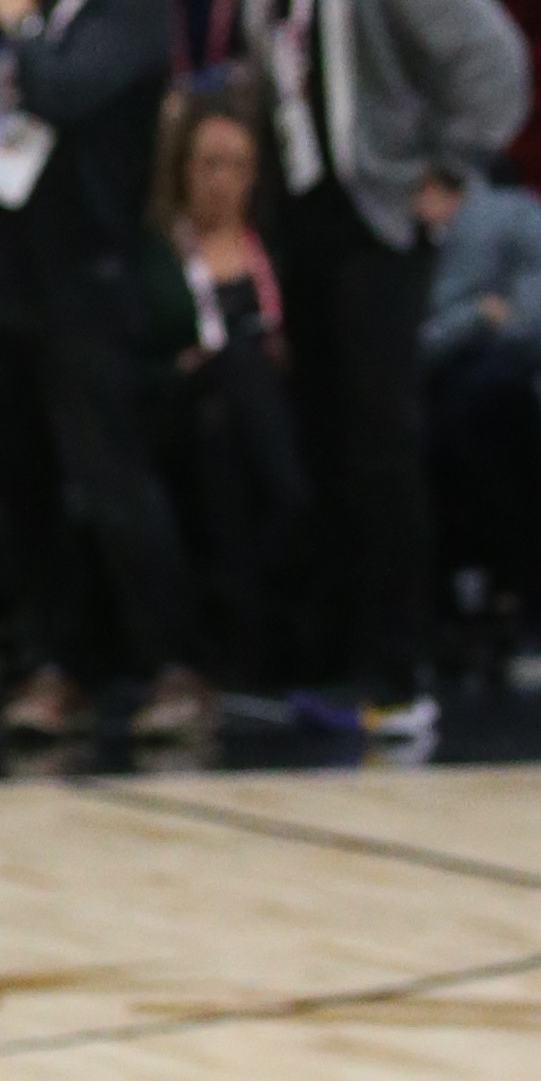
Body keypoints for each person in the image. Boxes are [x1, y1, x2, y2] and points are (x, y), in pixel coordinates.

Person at [233, 0, 534, 741]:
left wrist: (447, 165)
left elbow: (491, 54)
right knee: (321, 438)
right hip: (305, 218)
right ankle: (346, 651)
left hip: (374, 219)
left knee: (377, 443)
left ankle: (401, 669)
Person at [0, 0, 214, 743]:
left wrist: (17, 22)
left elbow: (61, 91)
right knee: (21, 487)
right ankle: (56, 665)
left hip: (86, 274)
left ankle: (174, 663)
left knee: (112, 478)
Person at [140, 89, 307, 686]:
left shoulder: (277, 254)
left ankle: (246, 633)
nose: (220, 179)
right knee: (226, 383)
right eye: (207, 163)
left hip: (254, 420)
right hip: (175, 411)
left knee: (231, 427)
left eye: (235, 165)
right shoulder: (155, 255)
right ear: (182, 169)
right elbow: (136, 351)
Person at [417, 162, 541, 679]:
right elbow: (403, 346)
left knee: (498, 398)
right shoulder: (393, 234)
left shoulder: (518, 216)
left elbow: (538, 326)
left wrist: (450, 332)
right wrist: (474, 317)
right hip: (423, 400)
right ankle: (439, 617)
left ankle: (538, 609)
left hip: (507, 395)